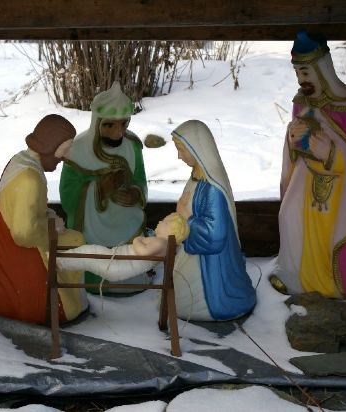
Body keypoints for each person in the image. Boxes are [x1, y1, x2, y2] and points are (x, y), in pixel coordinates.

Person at [272, 30, 346, 298]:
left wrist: (331, 153)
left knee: (325, 235)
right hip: (303, 182)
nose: (301, 80)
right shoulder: (301, 102)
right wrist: (292, 140)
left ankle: (329, 283)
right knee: (289, 217)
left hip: (337, 192)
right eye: (297, 73)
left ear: (323, 69)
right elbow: (295, 144)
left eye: (305, 72)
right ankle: (293, 275)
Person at [0, 114, 88, 325]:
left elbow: (25, 209)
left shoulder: (20, 161)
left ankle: (73, 293)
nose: (65, 156)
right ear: (51, 145)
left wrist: (47, 214)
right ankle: (66, 302)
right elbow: (23, 233)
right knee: (76, 241)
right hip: (22, 252)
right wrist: (52, 227)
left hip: (15, 243)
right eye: (65, 148)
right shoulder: (29, 179)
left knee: (75, 238)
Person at [59, 81, 150, 292]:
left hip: (126, 218)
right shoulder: (76, 150)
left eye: (124, 124)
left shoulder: (133, 146)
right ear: (97, 122)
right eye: (109, 125)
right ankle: (95, 281)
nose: (118, 133)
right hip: (91, 222)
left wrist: (135, 194)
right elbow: (68, 194)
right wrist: (99, 189)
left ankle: (129, 279)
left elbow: (140, 179)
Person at [171, 120, 256, 321]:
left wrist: (187, 218)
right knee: (176, 298)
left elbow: (215, 236)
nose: (179, 156)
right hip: (191, 254)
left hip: (210, 267)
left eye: (182, 150)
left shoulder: (212, 189)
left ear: (196, 148)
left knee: (182, 303)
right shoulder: (197, 177)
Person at [58, 212, 189, 281]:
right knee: (89, 253)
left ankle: (59, 262)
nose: (160, 221)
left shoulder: (161, 242)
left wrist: (137, 240)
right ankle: (61, 261)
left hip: (116, 265)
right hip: (116, 262)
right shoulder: (163, 244)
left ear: (171, 231)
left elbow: (143, 252)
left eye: (165, 222)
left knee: (89, 252)